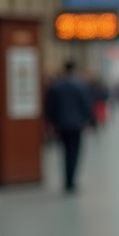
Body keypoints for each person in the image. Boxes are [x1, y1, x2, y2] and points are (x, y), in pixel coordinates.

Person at [44, 60, 96, 192]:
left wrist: (50, 122)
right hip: (77, 124)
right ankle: (71, 180)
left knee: (64, 152)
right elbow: (86, 105)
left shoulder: (56, 86)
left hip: (61, 124)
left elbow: (50, 106)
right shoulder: (81, 85)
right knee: (75, 152)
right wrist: (90, 122)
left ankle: (66, 179)